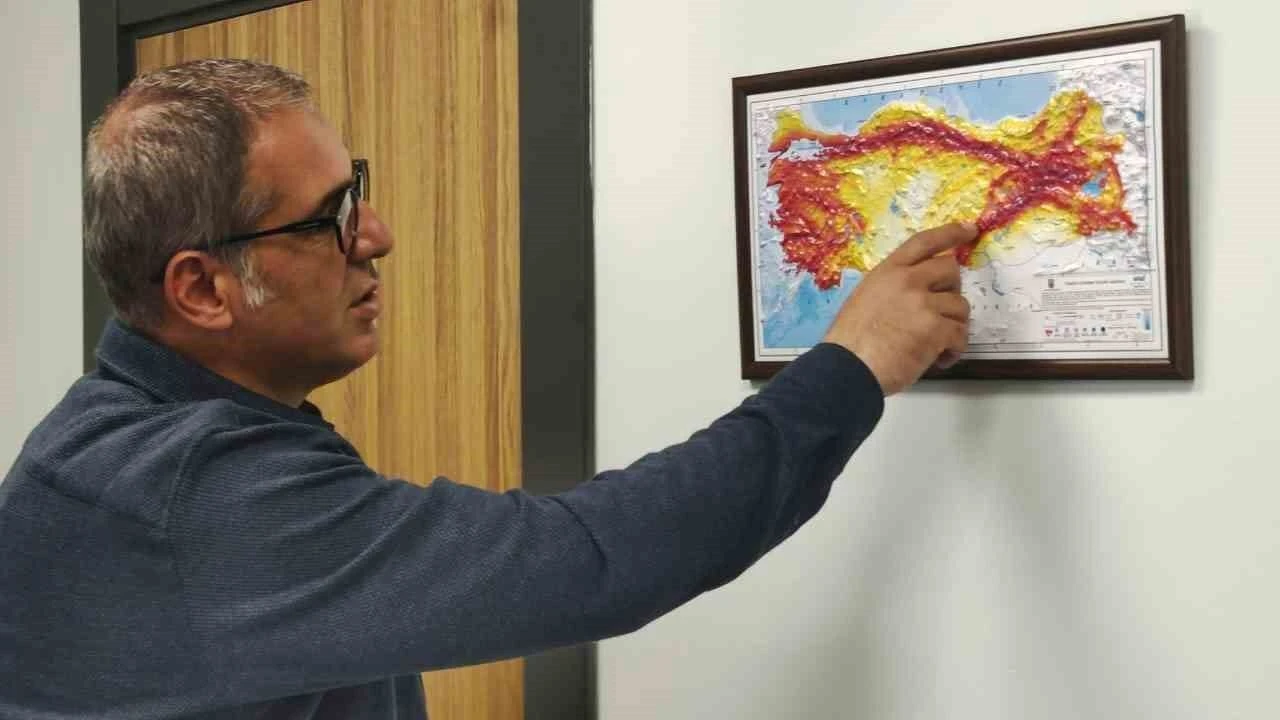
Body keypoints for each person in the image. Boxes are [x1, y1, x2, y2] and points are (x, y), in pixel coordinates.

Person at [0, 59, 973, 719]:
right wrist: (851, 365)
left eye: (356, 190)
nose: (376, 236)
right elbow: (594, 560)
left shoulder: (107, 437)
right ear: (204, 290)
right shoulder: (189, 496)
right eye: (329, 217)